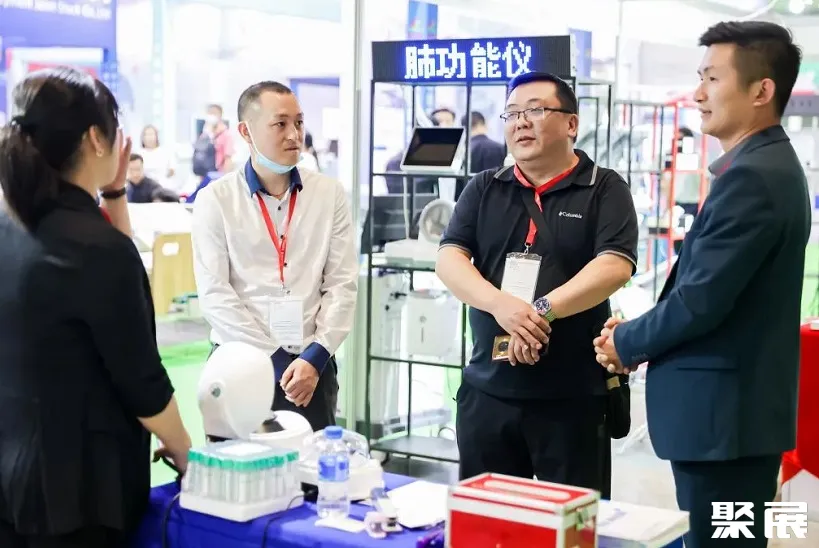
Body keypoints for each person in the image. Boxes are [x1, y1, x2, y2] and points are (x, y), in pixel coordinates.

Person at [593, 21, 807, 548]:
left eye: (712, 78)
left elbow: (700, 301)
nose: (698, 94)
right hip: (728, 423)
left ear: (761, 90)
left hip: (725, 426)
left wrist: (626, 341)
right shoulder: (758, 166)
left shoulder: (754, 178)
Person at [0, 67, 191, 547]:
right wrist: (187, 453)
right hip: (76, 495)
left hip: (14, 475)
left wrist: (115, 195)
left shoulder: (16, 227)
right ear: (95, 138)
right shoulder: (94, 249)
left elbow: (110, 283)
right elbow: (142, 380)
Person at [436, 71, 638, 491]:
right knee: (488, 519)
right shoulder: (485, 187)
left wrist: (540, 312)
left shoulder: (604, 187)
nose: (521, 122)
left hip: (571, 399)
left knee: (571, 520)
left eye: (535, 110)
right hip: (488, 392)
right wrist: (502, 306)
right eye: (511, 114)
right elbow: (450, 260)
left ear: (571, 124)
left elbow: (614, 266)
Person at [192, 80, 357, 433]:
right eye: (280, 124)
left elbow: (342, 284)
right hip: (240, 367)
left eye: (299, 122)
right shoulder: (216, 200)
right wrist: (276, 359)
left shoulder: (329, 194)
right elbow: (215, 294)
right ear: (246, 132)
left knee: (313, 465)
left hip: (312, 371)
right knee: (236, 467)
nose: (294, 134)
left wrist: (316, 356)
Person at [457, 111, 506, 200]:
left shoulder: (460, 151)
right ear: (483, 123)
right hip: (496, 199)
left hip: (467, 199)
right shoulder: (499, 148)